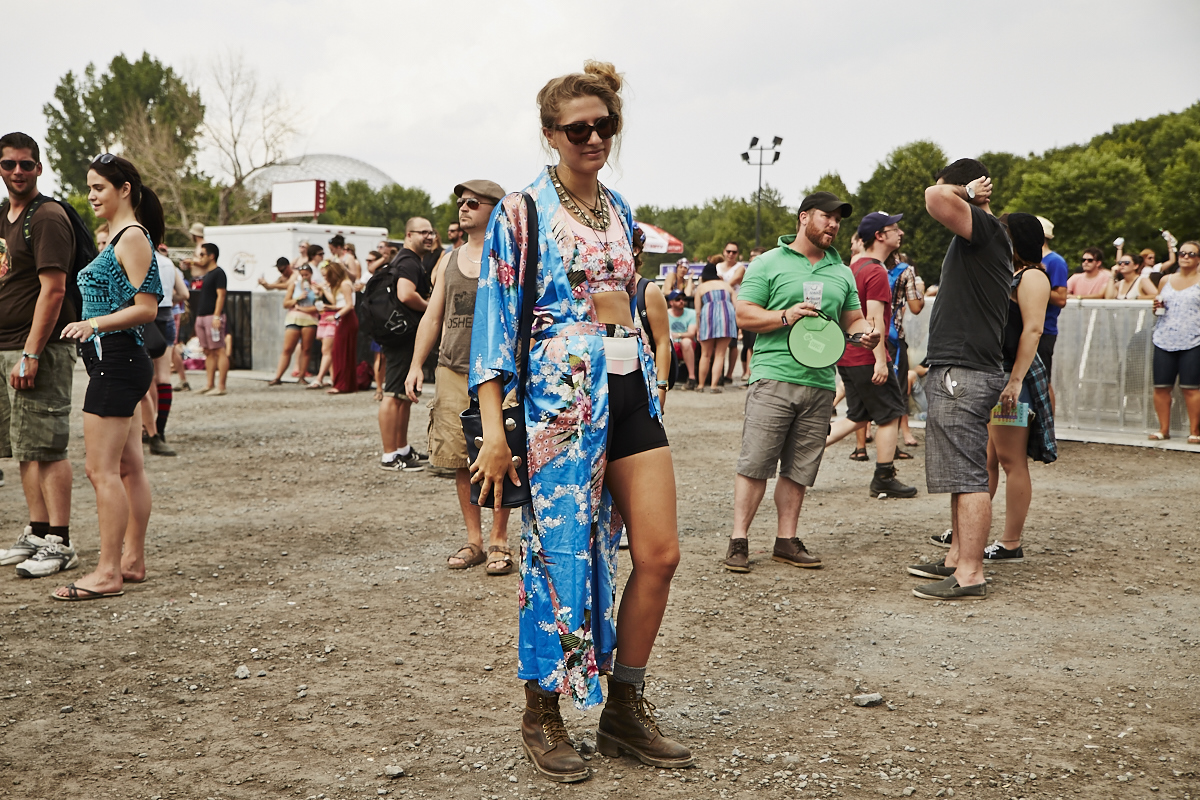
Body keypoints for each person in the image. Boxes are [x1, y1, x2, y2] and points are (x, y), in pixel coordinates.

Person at [470, 61, 692, 783]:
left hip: (628, 392)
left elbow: (625, 296)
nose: (593, 137)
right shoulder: (521, 211)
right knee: (560, 559)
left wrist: (639, 351)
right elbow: (494, 331)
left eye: (604, 125)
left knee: (658, 553)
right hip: (559, 411)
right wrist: (495, 436)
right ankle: (543, 712)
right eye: (578, 128)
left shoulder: (621, 210)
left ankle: (624, 706)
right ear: (550, 134)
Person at [724, 191, 879, 573]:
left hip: (822, 380)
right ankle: (739, 540)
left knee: (801, 467)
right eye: (826, 217)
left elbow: (852, 320)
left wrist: (867, 332)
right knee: (756, 461)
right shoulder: (767, 263)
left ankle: (786, 540)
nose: (833, 225)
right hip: (774, 374)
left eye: (838, 220)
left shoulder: (841, 271)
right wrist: (784, 315)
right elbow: (744, 314)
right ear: (803, 217)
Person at [912, 214, 1055, 573]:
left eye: (1003, 233)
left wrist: (1015, 381)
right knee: (986, 461)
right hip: (995, 375)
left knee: (1010, 460)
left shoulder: (1033, 276)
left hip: (1011, 381)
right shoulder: (1007, 273)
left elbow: (1033, 331)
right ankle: (967, 544)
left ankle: (1009, 543)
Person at [54, 153, 164, 599]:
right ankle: (131, 561)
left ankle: (107, 572)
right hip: (118, 360)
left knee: (100, 470)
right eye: (89, 187)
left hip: (117, 360)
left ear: (124, 189)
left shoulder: (132, 236)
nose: (91, 195)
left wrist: (92, 323)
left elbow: (148, 307)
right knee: (128, 467)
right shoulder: (120, 236)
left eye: (99, 186)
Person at [912, 158, 1012, 602]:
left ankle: (970, 573)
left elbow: (935, 197)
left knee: (969, 475)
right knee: (961, 472)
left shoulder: (986, 229)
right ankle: (958, 557)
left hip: (965, 370)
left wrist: (964, 193)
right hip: (966, 367)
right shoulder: (982, 236)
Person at [405, 179, 513, 573]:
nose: (462, 209)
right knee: (458, 458)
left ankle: (501, 541)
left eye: (472, 203)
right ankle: (475, 541)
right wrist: (417, 365)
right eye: (460, 203)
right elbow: (434, 316)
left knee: (506, 453)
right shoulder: (448, 260)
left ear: (494, 210)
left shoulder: (510, 258)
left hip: (500, 373)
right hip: (452, 370)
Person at [0, 132, 77, 578]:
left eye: (26, 165)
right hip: (7, 346)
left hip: (39, 349)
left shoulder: (46, 216)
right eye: (9, 164)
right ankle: (37, 530)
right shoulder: (3, 216)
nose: (17, 172)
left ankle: (60, 542)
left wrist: (30, 353)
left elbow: (54, 289)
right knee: (24, 448)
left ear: (39, 169)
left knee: (47, 446)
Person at [824, 212, 917, 498]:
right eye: (894, 229)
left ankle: (803, 448)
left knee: (856, 416)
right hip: (867, 354)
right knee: (890, 414)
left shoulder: (852, 266)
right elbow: (873, 321)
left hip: (847, 354)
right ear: (879, 235)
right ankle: (884, 477)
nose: (899, 233)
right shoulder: (875, 271)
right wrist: (881, 361)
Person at [377, 218, 434, 471]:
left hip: (401, 333)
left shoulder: (407, 259)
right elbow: (405, 294)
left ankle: (402, 449)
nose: (429, 236)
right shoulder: (409, 261)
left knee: (403, 395)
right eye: (423, 232)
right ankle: (390, 454)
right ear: (408, 235)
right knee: (393, 394)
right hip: (401, 335)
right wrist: (431, 307)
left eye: (431, 232)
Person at [1143, 241, 1200, 443]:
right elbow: (1159, 304)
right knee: (1161, 386)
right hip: (1164, 337)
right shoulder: (1165, 279)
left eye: (1191, 254)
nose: (1186, 257)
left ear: (1198, 259)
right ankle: (1163, 429)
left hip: (1193, 340)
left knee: (1191, 388)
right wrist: (1155, 306)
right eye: (1183, 253)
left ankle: (1195, 431)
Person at [140, 245, 189, 456]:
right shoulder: (168, 263)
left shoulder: (141, 260)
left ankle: (150, 429)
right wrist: (169, 297)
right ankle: (161, 428)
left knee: (148, 378)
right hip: (167, 315)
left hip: (148, 317)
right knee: (164, 377)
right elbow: (184, 293)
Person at [887, 251, 925, 448]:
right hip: (893, 337)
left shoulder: (861, 264)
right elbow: (917, 306)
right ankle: (899, 438)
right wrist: (919, 290)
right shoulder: (905, 271)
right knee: (899, 388)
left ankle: (862, 442)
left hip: (868, 334)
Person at [1035, 216, 1068, 415]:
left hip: (1043, 329)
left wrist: (1032, 289)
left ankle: (1048, 428)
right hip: (1024, 328)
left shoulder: (1055, 261)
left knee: (1043, 381)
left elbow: (1061, 298)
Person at [267, 261, 319, 385]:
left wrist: (304, 305)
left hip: (309, 319)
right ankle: (278, 376)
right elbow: (286, 303)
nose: (305, 277)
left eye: (307, 274)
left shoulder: (316, 287)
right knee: (287, 348)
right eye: (302, 275)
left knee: (306, 349)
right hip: (294, 318)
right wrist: (297, 298)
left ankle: (302, 375)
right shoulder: (294, 285)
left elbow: (318, 306)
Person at [192, 243, 229, 395]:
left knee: (219, 349)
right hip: (202, 315)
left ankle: (221, 386)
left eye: (202, 254)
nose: (200, 258)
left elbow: (221, 295)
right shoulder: (208, 273)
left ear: (211, 256)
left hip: (212, 316)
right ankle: (209, 384)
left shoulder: (219, 273)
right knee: (208, 350)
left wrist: (216, 316)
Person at [693, 261, 736, 393]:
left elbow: (698, 311)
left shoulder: (701, 287)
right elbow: (736, 306)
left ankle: (700, 385)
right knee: (720, 354)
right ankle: (714, 386)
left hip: (708, 317)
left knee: (705, 355)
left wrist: (698, 329)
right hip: (726, 317)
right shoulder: (727, 286)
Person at [322, 259, 358, 394]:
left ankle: (342, 384)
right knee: (343, 351)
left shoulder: (345, 284)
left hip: (346, 319)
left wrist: (336, 315)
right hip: (345, 317)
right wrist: (331, 307)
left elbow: (349, 305)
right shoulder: (345, 284)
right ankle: (346, 383)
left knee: (341, 351)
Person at [666, 290, 698, 389]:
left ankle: (692, 378)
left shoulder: (692, 313)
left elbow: (691, 334)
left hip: (685, 345)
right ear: (671, 302)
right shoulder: (664, 313)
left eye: (683, 299)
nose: (681, 301)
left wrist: (678, 335)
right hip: (670, 344)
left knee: (687, 342)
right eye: (678, 299)